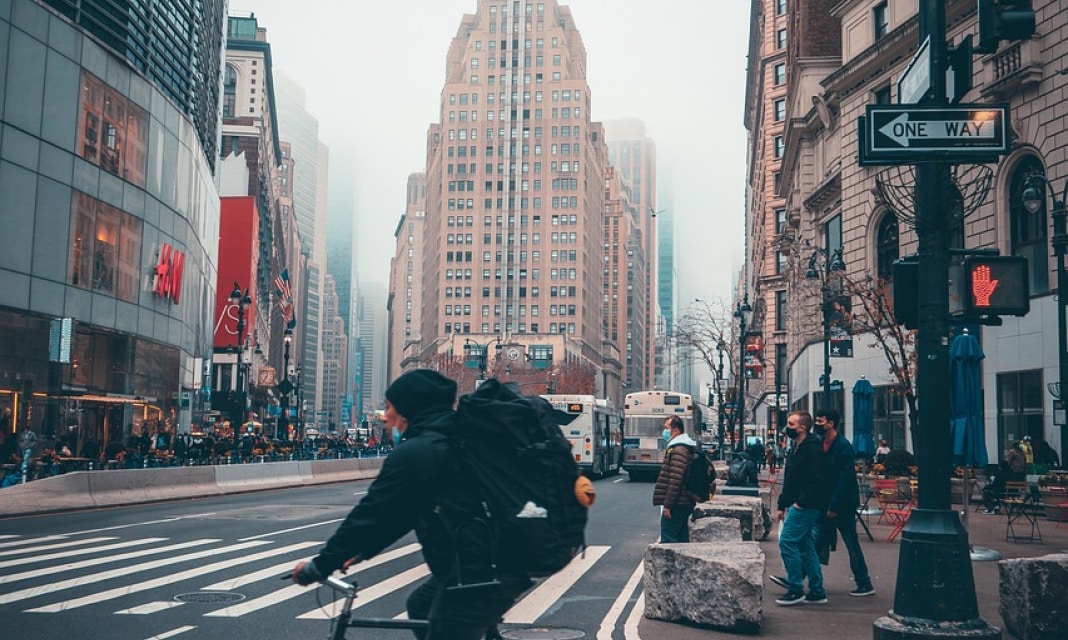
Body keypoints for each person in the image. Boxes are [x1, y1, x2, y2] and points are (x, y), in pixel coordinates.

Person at [291, 369, 531, 640]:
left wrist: (319, 566)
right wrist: (361, 552)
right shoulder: (448, 440)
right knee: (421, 606)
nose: (386, 415)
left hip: (478, 575)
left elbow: (369, 513)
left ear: (406, 411)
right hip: (490, 565)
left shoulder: (419, 453)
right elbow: (402, 516)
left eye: (389, 406)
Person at [811, 409, 874, 596]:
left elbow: (845, 479)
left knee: (850, 542)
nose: (817, 424)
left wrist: (834, 506)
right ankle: (796, 578)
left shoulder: (843, 446)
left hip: (842, 505)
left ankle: (864, 582)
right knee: (815, 541)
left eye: (820, 421)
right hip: (825, 503)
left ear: (830, 423)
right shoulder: (822, 444)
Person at [772, 410, 827, 606]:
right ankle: (817, 589)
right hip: (801, 503)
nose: (787, 427)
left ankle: (795, 588)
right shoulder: (798, 447)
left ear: (802, 428)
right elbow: (791, 478)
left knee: (787, 541)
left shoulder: (811, 449)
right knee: (805, 545)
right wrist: (782, 504)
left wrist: (799, 503)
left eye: (791, 424)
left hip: (805, 505)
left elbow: (818, 481)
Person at [652, 415, 701, 543]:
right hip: (682, 502)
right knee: (681, 539)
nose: (664, 431)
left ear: (676, 430)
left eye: (667, 428)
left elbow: (675, 480)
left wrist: (668, 505)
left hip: (678, 503)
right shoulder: (681, 447)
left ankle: (669, 563)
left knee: (668, 539)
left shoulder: (679, 450)